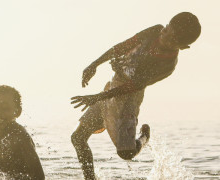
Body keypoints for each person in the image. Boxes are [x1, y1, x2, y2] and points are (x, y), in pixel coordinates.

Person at [70, 12, 201, 180]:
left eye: (172, 39)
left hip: (129, 97)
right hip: (114, 85)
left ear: (183, 47)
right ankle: (90, 179)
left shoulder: (167, 65)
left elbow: (133, 86)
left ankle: (144, 136)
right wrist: (94, 64)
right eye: (167, 29)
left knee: (126, 153)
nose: (164, 37)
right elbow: (124, 46)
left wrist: (98, 97)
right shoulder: (155, 30)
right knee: (78, 138)